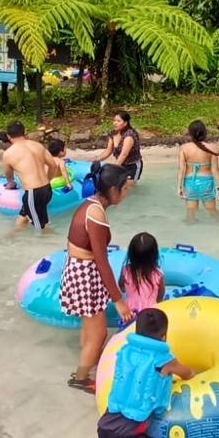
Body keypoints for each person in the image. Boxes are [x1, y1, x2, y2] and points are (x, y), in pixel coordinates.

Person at [74, 307, 195, 438]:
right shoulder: (163, 360)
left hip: (106, 425)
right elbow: (187, 374)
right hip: (131, 437)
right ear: (164, 336)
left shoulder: (125, 351)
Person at [63, 164, 134, 392]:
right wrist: (118, 299)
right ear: (114, 190)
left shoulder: (91, 204)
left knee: (89, 326)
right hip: (85, 272)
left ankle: (90, 362)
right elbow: (101, 261)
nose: (126, 194)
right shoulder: (96, 215)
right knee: (99, 333)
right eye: (124, 190)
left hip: (77, 267)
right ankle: (80, 378)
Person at [3, 121, 64, 238]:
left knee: (40, 228)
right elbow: (53, 165)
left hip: (33, 193)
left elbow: (9, 176)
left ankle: (51, 244)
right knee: (24, 215)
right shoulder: (37, 145)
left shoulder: (8, 154)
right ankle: (11, 236)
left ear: (8, 136)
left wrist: (10, 183)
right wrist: (47, 180)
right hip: (46, 189)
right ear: (24, 133)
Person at [176, 120, 219, 221]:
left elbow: (181, 169)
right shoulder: (212, 148)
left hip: (190, 182)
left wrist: (179, 187)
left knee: (191, 212)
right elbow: (215, 170)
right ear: (205, 132)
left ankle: (190, 230)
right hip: (206, 182)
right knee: (212, 210)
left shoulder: (184, 148)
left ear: (190, 133)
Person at [96, 111, 143, 198]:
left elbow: (124, 154)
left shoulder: (129, 135)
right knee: (117, 186)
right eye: (114, 120)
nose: (115, 123)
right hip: (121, 165)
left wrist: (113, 170)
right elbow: (108, 151)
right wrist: (96, 160)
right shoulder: (113, 133)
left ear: (125, 123)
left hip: (133, 166)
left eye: (118, 121)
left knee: (129, 189)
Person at [120, 232, 165, 314]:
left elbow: (121, 286)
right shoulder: (158, 274)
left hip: (131, 313)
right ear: (154, 255)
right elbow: (160, 296)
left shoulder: (125, 271)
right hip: (151, 314)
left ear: (131, 254)